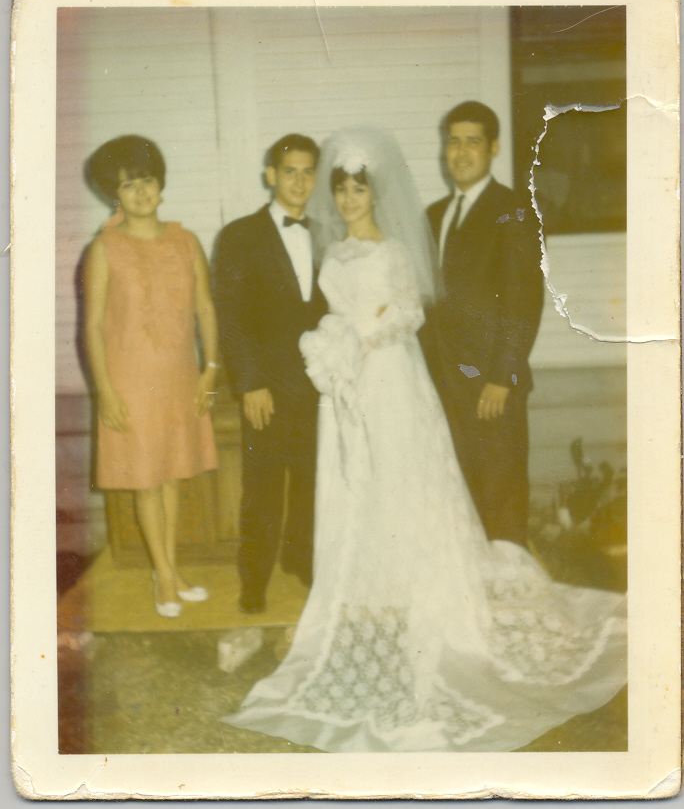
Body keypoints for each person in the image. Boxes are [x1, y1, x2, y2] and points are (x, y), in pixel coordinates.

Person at [222, 128, 626, 753]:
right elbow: (323, 313)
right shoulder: (332, 251)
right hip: (346, 390)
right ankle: (370, 592)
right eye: (343, 188)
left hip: (390, 380)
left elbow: (408, 313)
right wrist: (333, 348)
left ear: (375, 193)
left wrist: (361, 340)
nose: (350, 198)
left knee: (406, 482)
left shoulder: (391, 250)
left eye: (360, 188)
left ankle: (420, 591)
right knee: (360, 485)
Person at [83, 134, 218, 618]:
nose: (140, 191)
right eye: (128, 184)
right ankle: (163, 576)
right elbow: (93, 327)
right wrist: (105, 391)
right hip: (131, 384)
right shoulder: (104, 248)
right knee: (146, 480)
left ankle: (173, 569)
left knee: (173, 478)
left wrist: (210, 371)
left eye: (147, 179)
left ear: (160, 184)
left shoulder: (186, 241)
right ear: (114, 194)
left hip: (180, 378)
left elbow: (205, 307)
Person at [213, 134, 327, 614]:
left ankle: (302, 562)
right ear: (270, 176)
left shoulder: (328, 233)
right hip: (267, 387)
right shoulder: (240, 236)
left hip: (320, 384)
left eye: (308, 172)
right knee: (262, 489)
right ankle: (254, 580)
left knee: (311, 484)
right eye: (290, 172)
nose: (299, 181)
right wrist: (250, 383)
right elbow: (230, 317)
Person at [421, 101, 544, 547]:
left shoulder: (512, 210)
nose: (460, 152)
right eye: (452, 141)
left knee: (500, 493)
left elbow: (524, 301)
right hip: (444, 381)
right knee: (460, 497)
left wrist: (502, 376)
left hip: (490, 383)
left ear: (493, 148)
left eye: (472, 141)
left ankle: (509, 597)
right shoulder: (433, 216)